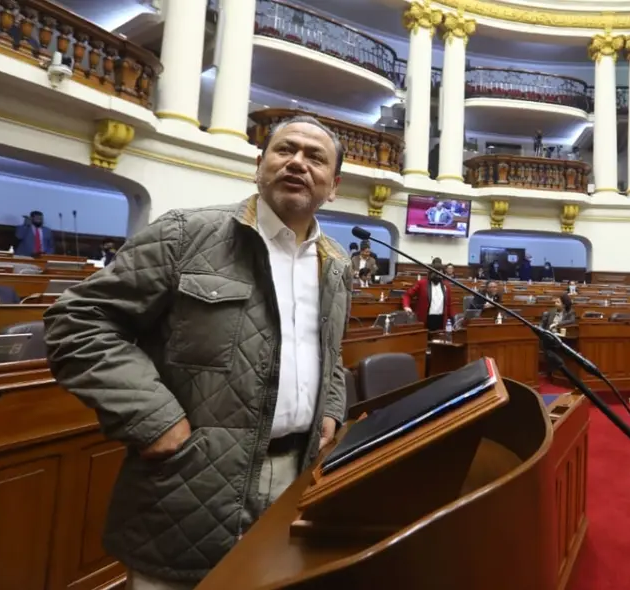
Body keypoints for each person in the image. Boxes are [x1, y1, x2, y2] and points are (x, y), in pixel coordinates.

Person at [43, 115, 352, 589]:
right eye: (284, 150)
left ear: (333, 186)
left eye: (315, 157)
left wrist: (331, 405)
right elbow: (78, 321)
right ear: (259, 164)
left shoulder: (335, 263)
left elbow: (329, 349)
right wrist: (152, 417)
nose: (297, 163)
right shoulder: (187, 234)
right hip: (191, 482)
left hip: (296, 476)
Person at [402, 258, 453, 330]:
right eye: (437, 273)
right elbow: (407, 295)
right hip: (425, 320)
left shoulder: (446, 285)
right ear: (431, 273)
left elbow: (449, 305)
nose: (438, 276)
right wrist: (406, 306)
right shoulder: (422, 283)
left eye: (441, 274)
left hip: (441, 320)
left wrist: (452, 320)